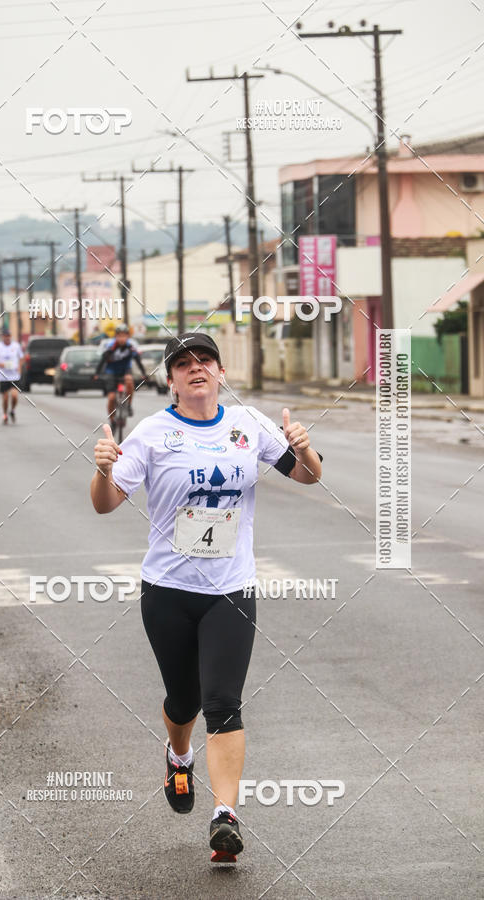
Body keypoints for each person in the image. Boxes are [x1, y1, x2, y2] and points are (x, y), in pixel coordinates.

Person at [90, 332, 323, 863]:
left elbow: (309, 476)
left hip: (232, 591)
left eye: (205, 361)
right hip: (168, 591)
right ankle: (178, 755)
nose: (196, 369)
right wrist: (103, 468)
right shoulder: (152, 434)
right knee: (183, 700)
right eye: (183, 364)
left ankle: (226, 817)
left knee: (222, 703)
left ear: (220, 372)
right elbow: (105, 504)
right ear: (170, 379)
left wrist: (304, 448)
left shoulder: (248, 425)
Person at [94, 324, 147, 423]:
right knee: (111, 397)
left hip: (125, 369)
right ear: (116, 336)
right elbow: (103, 360)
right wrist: (96, 373)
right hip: (111, 371)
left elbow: (137, 360)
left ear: (128, 337)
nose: (122, 338)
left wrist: (144, 373)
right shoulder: (110, 346)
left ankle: (129, 405)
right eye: (119, 336)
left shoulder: (130, 347)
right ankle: (112, 419)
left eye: (124, 336)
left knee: (129, 380)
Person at [0, 329, 24, 424]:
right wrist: (1, 365)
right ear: (3, 337)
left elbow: (21, 358)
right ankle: (5, 414)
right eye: (5, 336)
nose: (7, 338)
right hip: (3, 377)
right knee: (5, 398)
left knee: (14, 396)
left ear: (10, 337)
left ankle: (12, 410)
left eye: (8, 336)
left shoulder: (16, 346)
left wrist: (19, 367)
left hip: (14, 376)